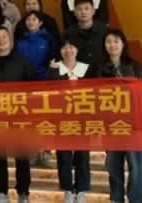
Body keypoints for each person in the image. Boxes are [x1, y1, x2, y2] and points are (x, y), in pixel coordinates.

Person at [0, 27, 36, 203]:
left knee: (22, 156)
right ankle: (1, 192)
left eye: (4, 36)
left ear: (10, 40)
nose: (1, 40)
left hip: (19, 116)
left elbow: (33, 89)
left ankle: (23, 193)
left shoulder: (23, 62)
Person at [98, 29, 142, 203]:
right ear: (104, 45)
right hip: (111, 124)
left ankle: (136, 199)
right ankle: (116, 198)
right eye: (108, 42)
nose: (112, 45)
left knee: (136, 165)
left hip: (134, 123)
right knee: (113, 164)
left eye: (116, 41)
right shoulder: (99, 68)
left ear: (123, 44)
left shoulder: (134, 66)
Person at [47, 39, 98, 203]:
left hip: (83, 118)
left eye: (71, 47)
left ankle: (81, 190)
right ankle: (67, 190)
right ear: (60, 51)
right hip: (61, 119)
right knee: (63, 155)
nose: (68, 50)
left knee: (82, 155)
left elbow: (95, 93)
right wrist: (52, 72)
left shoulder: (87, 68)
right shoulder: (55, 68)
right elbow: (49, 94)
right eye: (64, 47)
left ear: (77, 49)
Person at [63, 0, 108, 66]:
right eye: (79, 9)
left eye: (86, 8)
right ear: (74, 13)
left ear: (93, 11)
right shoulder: (68, 33)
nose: (83, 12)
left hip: (102, 69)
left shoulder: (104, 30)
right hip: (78, 70)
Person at [14, 11, 56, 80]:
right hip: (24, 78)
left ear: (40, 23)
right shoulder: (20, 40)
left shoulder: (48, 39)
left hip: (43, 77)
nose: (31, 22)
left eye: (34, 19)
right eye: (28, 19)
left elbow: (52, 58)